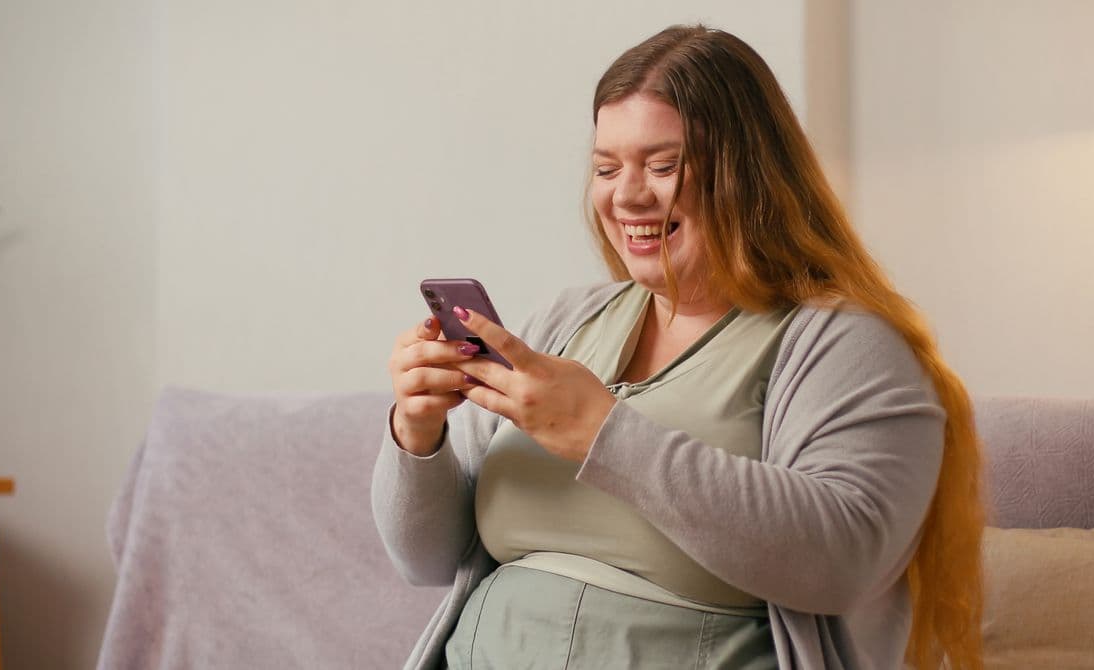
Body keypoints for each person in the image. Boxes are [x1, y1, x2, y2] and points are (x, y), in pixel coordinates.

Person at [374, 23, 984, 670]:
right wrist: (418, 434)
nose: (627, 194)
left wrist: (601, 432)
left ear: (752, 172)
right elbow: (426, 560)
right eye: (606, 168)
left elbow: (844, 562)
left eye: (663, 165)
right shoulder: (563, 321)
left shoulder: (844, 345)